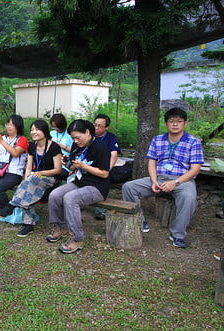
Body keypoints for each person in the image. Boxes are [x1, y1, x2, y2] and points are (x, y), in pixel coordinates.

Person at [122, 108, 204, 248]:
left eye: (179, 121)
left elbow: (195, 169)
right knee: (129, 187)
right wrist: (154, 181)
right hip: (159, 178)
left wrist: (175, 182)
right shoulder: (158, 140)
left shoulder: (193, 141)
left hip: (182, 180)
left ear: (185, 123)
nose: (175, 124)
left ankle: (177, 234)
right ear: (166, 123)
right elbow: (152, 163)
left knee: (189, 198)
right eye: (171, 121)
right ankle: (139, 220)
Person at [46, 119, 111, 254]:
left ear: (87, 132)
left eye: (77, 137)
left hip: (98, 187)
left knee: (70, 198)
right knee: (55, 195)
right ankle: (59, 227)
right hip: (80, 182)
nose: (75, 141)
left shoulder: (101, 147)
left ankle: (77, 239)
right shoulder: (77, 146)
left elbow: (105, 174)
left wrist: (84, 166)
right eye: (73, 138)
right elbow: (73, 168)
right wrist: (68, 164)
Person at [0, 119, 62, 237]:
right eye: (32, 130)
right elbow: (28, 167)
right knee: (28, 186)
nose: (33, 132)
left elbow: (58, 170)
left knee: (30, 184)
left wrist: (41, 172)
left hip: (51, 179)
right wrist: (26, 177)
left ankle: (12, 205)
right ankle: (28, 224)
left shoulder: (54, 147)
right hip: (35, 179)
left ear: (45, 131)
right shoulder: (32, 146)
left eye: (37, 130)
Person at [93, 114, 121, 221]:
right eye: (95, 125)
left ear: (106, 127)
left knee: (102, 180)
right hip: (89, 166)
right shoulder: (90, 136)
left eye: (99, 126)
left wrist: (107, 168)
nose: (96, 128)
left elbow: (114, 155)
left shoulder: (111, 138)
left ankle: (100, 210)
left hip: (104, 168)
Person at [50, 113, 74, 182]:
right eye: (53, 127)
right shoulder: (51, 133)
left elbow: (74, 151)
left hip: (64, 163)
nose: (56, 129)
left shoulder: (70, 134)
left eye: (57, 127)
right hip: (52, 161)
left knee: (56, 175)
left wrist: (62, 146)